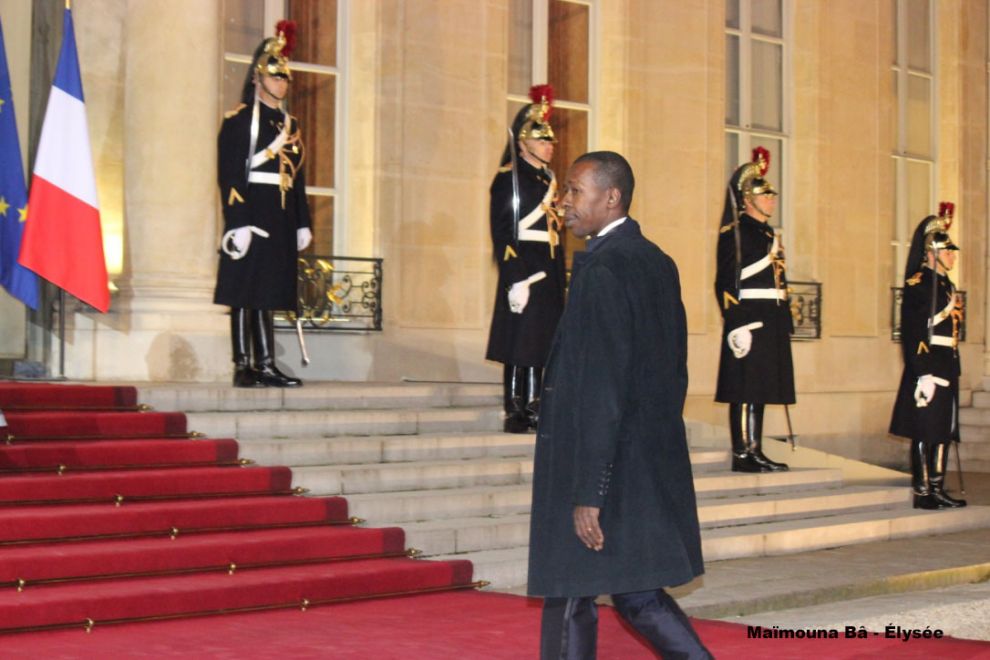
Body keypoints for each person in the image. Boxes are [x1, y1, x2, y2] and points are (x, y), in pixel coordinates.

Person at [527, 151, 711, 659]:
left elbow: (602, 384)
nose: (563, 202)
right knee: (634, 592)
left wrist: (591, 489)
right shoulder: (655, 259)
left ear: (611, 198)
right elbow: (674, 371)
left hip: (599, 463)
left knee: (571, 590)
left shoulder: (604, 268)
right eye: (564, 191)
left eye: (574, 190)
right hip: (639, 457)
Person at [213, 20, 312, 388]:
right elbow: (231, 174)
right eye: (274, 74)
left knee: (268, 289)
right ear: (257, 76)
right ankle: (244, 364)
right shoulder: (240, 121)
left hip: (281, 213)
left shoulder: (291, 124)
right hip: (252, 211)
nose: (281, 81)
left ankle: (266, 362)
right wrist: (237, 220)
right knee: (244, 289)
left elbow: (297, 176)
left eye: (285, 75)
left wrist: (302, 221)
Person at [485, 85, 566, 433]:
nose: (549, 144)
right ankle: (515, 408)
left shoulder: (547, 178)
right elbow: (502, 230)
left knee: (541, 342)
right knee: (520, 341)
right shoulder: (509, 178)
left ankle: (536, 404)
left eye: (550, 139)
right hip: (523, 266)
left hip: (547, 265)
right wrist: (514, 274)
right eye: (541, 138)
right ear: (522, 142)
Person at [714, 148, 793, 472]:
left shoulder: (766, 232)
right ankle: (742, 452)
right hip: (748, 316)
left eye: (772, 194)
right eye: (765, 194)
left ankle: (755, 448)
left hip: (770, 315)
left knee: (760, 388)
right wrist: (736, 322)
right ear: (747, 199)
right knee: (744, 387)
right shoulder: (736, 231)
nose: (772, 199)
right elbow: (724, 278)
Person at [889, 203, 966, 510]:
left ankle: (937, 485)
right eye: (948, 251)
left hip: (946, 361)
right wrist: (921, 371)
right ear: (932, 251)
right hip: (928, 363)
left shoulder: (946, 284)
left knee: (942, 429)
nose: (953, 255)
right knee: (924, 427)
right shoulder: (919, 283)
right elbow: (913, 330)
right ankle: (922, 490)